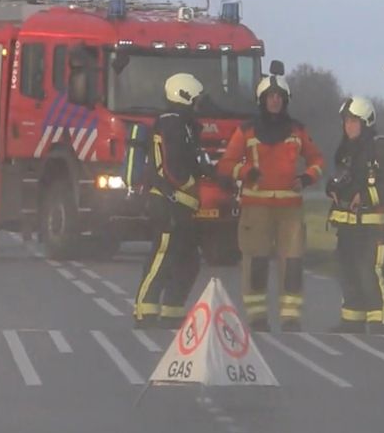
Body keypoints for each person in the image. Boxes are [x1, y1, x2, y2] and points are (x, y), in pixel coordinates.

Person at [218, 73, 325, 332]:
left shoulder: (298, 130)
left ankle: (290, 318)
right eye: (270, 97)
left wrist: (307, 177)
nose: (275, 101)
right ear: (262, 100)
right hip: (256, 208)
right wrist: (245, 173)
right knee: (256, 263)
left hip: (290, 209)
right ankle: (257, 318)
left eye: (279, 97)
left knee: (293, 264)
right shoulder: (246, 131)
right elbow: (225, 165)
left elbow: (318, 160)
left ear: (285, 100)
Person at [132, 73, 213, 329]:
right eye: (196, 100)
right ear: (185, 96)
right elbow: (176, 167)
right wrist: (201, 172)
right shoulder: (172, 124)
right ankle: (145, 309)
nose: (199, 107)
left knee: (187, 259)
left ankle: (172, 310)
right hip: (168, 203)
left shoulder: (182, 125)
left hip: (181, 204)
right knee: (163, 254)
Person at [326, 96, 384, 334]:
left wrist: (367, 196)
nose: (348, 126)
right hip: (347, 226)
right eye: (346, 121)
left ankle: (377, 321)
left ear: (366, 122)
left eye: (353, 121)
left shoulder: (383, 148)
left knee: (370, 271)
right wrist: (332, 188)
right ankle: (352, 319)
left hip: (372, 227)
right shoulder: (346, 149)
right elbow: (342, 179)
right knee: (347, 270)